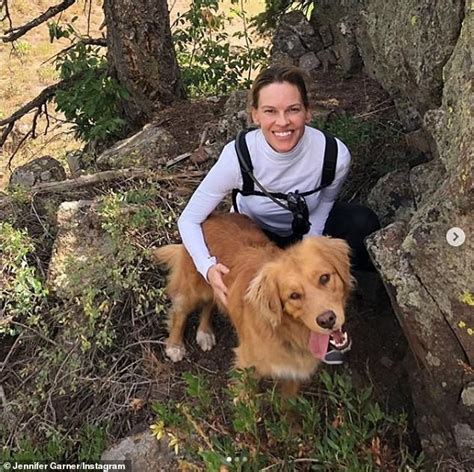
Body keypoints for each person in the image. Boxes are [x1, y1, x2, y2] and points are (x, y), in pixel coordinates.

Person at [177, 65, 380, 364]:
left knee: (363, 222)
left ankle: (355, 297)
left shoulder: (334, 155)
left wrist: (308, 248)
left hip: (304, 231)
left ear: (308, 112)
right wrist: (207, 266)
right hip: (256, 235)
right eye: (270, 111)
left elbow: (324, 205)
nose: (283, 122)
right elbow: (189, 219)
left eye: (293, 110)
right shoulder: (238, 157)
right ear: (255, 115)